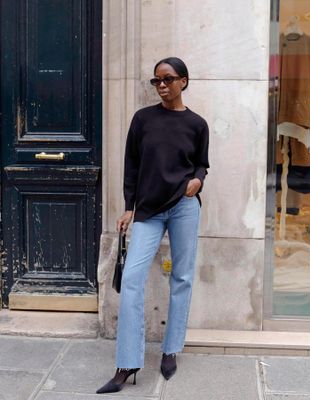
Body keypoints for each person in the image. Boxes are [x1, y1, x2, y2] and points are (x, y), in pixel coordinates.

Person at [96, 57, 209, 394]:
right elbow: (131, 165)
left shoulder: (197, 124)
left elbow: (202, 164)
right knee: (131, 280)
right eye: (156, 81)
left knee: (182, 277)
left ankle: (171, 349)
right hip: (148, 210)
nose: (161, 85)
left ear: (184, 81)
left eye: (168, 79)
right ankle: (127, 362)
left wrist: (198, 181)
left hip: (184, 208)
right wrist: (129, 207)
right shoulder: (143, 119)